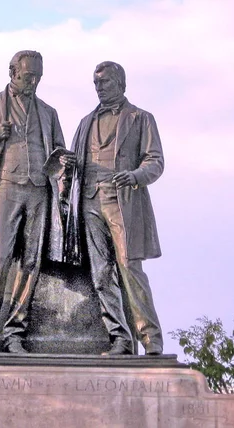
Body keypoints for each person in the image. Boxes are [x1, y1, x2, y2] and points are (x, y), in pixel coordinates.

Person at [0, 51, 70, 353]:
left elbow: (60, 155)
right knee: (1, 259)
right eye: (28, 76)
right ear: (12, 72)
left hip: (38, 194)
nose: (33, 82)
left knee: (30, 264)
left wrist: (63, 162)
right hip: (5, 188)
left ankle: (14, 333)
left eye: (38, 77)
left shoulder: (48, 113)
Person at [65, 61, 164, 355]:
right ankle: (119, 337)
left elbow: (155, 161)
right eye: (96, 83)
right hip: (88, 201)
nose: (100, 88)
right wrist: (68, 165)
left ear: (121, 83)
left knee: (130, 267)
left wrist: (134, 176)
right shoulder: (85, 123)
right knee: (101, 273)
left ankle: (150, 338)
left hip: (122, 201)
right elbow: (74, 165)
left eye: (105, 82)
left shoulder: (141, 118)